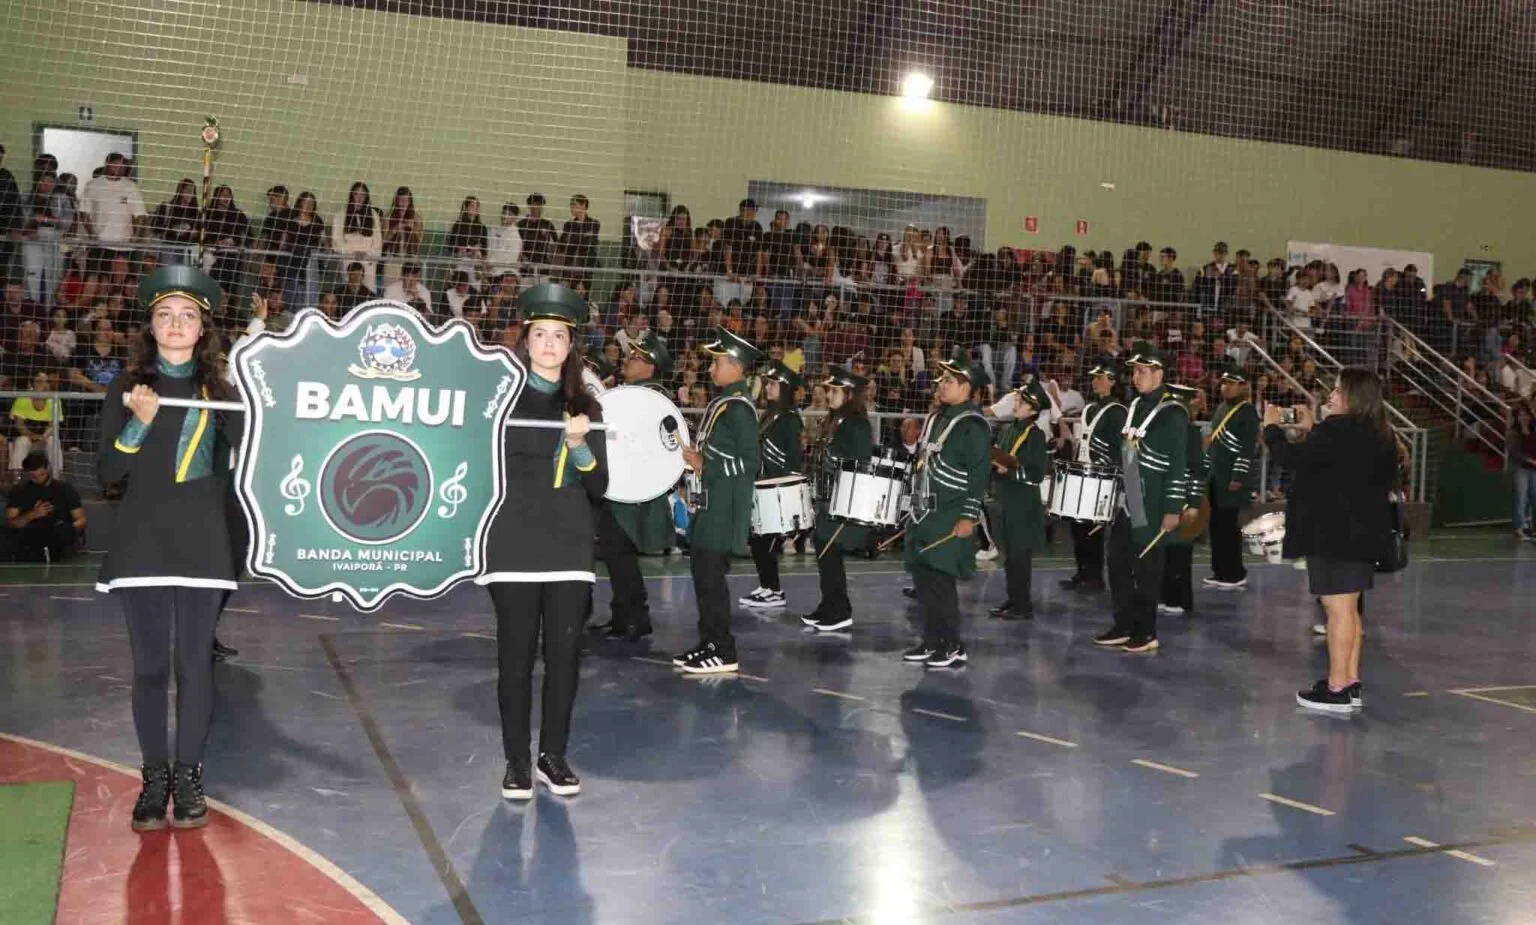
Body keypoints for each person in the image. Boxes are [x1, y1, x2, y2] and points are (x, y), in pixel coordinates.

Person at [96, 266, 243, 831]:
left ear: (203, 329)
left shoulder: (223, 394)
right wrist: (140, 424)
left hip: (204, 540)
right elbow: (110, 470)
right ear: (151, 327)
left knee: (194, 666)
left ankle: (189, 775)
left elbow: (243, 469)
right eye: (165, 315)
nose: (176, 324)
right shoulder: (128, 388)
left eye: (187, 316)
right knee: (152, 666)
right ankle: (154, 778)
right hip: (142, 540)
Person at [474, 282, 607, 798]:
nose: (549, 343)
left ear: (571, 346)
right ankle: (516, 763)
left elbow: (600, 486)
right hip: (510, 541)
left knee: (565, 656)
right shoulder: (498, 397)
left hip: (569, 544)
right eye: (540, 334)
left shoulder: (585, 406)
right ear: (525, 340)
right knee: (514, 658)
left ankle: (553, 756)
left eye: (559, 335)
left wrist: (579, 448)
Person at [1263, 368, 1396, 713]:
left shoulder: (1338, 431)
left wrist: (1271, 429)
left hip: (1333, 536)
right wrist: (1314, 431)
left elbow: (1292, 459)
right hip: (1363, 536)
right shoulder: (1378, 433)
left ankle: (1337, 688)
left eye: (1337, 391)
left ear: (1353, 397)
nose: (1330, 396)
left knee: (1336, 612)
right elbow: (1330, 464)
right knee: (1349, 611)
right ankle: (1349, 681)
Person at [673, 328, 761, 674]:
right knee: (703, 579)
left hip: (724, 510)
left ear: (737, 367)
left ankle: (724, 650)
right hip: (709, 506)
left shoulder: (739, 408)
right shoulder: (724, 403)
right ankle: (709, 642)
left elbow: (750, 462)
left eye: (718, 362)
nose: (712, 369)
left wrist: (706, 463)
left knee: (711, 581)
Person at [1094, 343, 1188, 654]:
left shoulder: (1172, 412)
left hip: (1154, 499)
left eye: (1143, 371)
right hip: (1128, 494)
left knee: (1146, 568)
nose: (1136, 376)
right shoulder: (1134, 406)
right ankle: (1123, 625)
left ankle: (1146, 632)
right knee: (1117, 562)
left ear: (1159, 373)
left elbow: (1179, 463)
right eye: (1134, 371)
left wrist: (1174, 507)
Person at [902, 352, 990, 667]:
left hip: (950, 514)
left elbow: (979, 476)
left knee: (941, 583)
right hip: (925, 512)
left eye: (949, 381)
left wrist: (969, 515)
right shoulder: (939, 417)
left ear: (967, 388)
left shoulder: (973, 425)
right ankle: (931, 641)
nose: (941, 384)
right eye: (941, 380)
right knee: (923, 581)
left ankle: (953, 645)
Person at [591, 330, 674, 642]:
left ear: (650, 368)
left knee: (619, 553)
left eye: (637, 358)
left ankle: (636, 617)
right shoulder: (632, 393)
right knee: (616, 554)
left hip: (633, 491)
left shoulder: (650, 397)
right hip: (621, 486)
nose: (628, 360)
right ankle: (624, 614)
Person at [800, 364, 874, 632]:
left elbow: (860, 462)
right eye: (829, 389)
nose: (828, 394)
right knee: (824, 550)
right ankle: (830, 604)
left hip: (842, 498)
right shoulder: (835, 420)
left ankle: (839, 609)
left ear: (849, 394)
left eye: (834, 390)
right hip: (826, 496)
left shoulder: (857, 424)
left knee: (829, 550)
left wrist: (831, 459)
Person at [740, 360, 804, 611]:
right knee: (757, 539)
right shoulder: (770, 415)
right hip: (763, 486)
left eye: (773, 384)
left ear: (785, 388)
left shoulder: (789, 419)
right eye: (767, 384)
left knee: (766, 541)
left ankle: (775, 589)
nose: (767, 388)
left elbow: (794, 459)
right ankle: (767, 586)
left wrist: (787, 491)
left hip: (776, 490)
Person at [1060, 359, 1126, 592]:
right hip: (1083, 473)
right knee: (1077, 527)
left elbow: (1118, 448)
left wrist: (1110, 477)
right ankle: (1082, 572)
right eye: (1094, 377)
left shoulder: (1117, 411)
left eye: (1101, 377)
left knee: (1092, 529)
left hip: (1101, 477)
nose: (1095, 381)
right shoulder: (1090, 408)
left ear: (1113, 381)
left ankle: (1095, 576)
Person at [990, 381, 1048, 620]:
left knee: (1020, 555)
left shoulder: (1035, 435)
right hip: (1006, 497)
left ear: (1033, 410)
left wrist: (1010, 472)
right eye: (1017, 400)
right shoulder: (1008, 429)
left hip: (1023, 502)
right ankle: (1013, 598)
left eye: (1022, 402)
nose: (1016, 404)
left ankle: (1022, 604)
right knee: (1009, 554)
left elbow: (1036, 473)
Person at [1204, 363, 1259, 587]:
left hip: (1232, 479)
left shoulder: (1247, 412)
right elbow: (1213, 444)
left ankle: (1234, 573)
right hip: (1216, 476)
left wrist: (1238, 476)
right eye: (1224, 383)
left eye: (1231, 383)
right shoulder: (1220, 408)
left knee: (1229, 527)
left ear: (1243, 386)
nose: (1225, 387)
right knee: (1216, 526)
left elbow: (1247, 448)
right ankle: (1220, 571)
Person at [1156, 382, 1204, 617]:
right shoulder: (1162, 431)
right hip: (1164, 496)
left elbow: (1198, 470)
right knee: (1163, 549)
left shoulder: (1192, 434)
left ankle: (1179, 598)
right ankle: (1163, 594)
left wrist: (1194, 503)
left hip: (1183, 498)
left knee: (1179, 552)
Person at [5, 450, 85, 562]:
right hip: (30, 541)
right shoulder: (19, 490)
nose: (34, 473)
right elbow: (10, 523)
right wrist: (33, 515)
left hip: (58, 541)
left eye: (37, 468)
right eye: (31, 469)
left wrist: (69, 528)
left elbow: (81, 519)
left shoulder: (65, 489)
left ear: (46, 468)